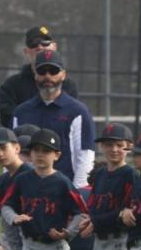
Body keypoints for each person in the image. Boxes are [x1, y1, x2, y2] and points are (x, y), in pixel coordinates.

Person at [12, 50, 95, 187]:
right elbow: (12, 153)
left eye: (53, 71)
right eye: (42, 72)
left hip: (63, 190)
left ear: (63, 75)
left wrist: (77, 193)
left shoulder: (77, 111)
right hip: (26, 190)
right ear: (35, 76)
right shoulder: (21, 112)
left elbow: (85, 156)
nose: (48, 76)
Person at [0, 25, 79, 128]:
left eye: (45, 42)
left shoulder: (68, 85)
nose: (39, 47)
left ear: (54, 47)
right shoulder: (11, 85)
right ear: (26, 51)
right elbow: (9, 119)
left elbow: (73, 118)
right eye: (33, 43)